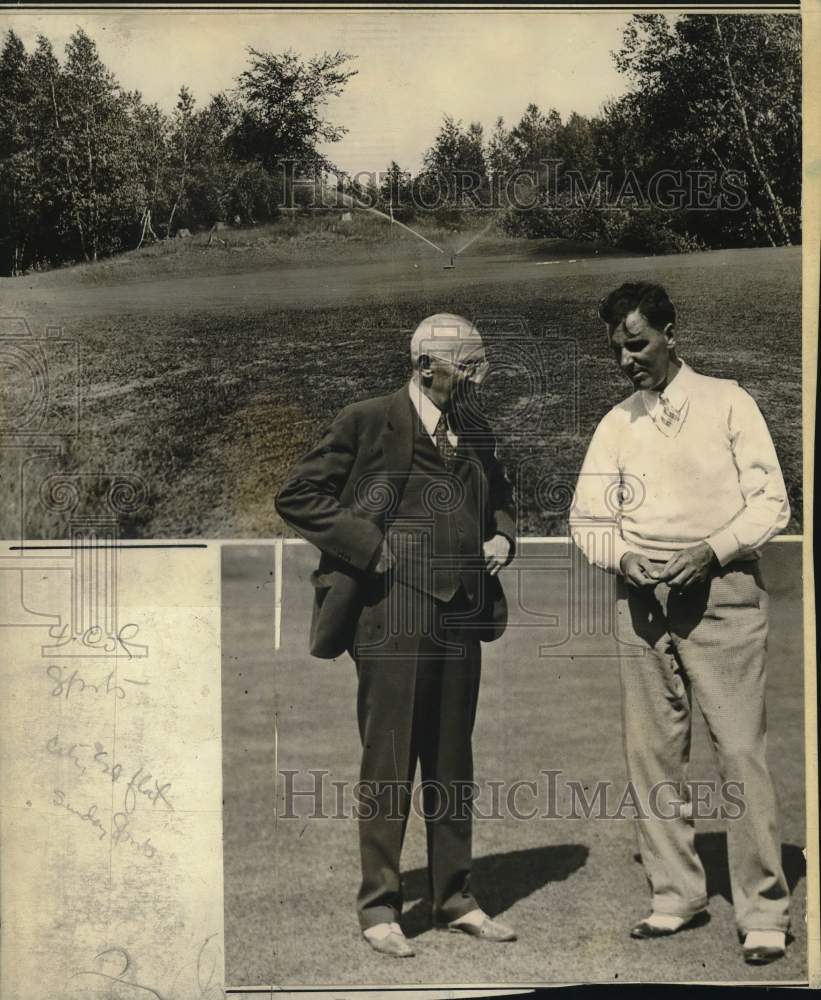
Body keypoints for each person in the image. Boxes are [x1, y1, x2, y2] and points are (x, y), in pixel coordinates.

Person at [275, 314, 517, 958]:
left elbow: (499, 494)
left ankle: (455, 899)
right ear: (424, 368)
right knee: (388, 764)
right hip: (390, 617)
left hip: (462, 614)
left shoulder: (475, 424)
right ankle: (380, 908)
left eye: (480, 364)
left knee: (451, 762)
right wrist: (371, 546)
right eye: (468, 367)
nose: (478, 377)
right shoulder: (366, 419)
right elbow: (298, 494)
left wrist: (503, 535)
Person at [569, 282, 791, 966]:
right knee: (653, 755)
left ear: (670, 333)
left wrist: (711, 551)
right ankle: (675, 896)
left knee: (739, 752)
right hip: (639, 601)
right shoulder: (616, 423)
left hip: (718, 590)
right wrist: (624, 558)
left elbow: (770, 504)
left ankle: (762, 911)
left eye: (637, 343)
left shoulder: (729, 402)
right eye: (617, 349)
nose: (627, 359)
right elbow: (586, 519)